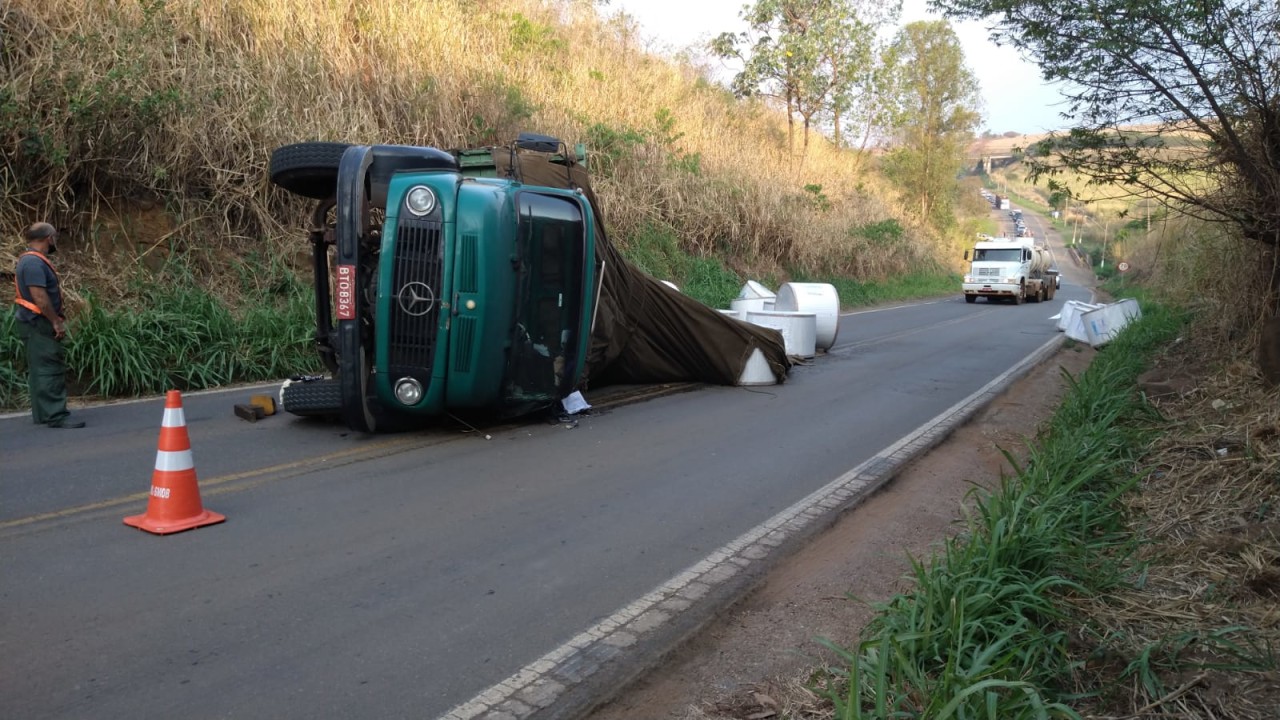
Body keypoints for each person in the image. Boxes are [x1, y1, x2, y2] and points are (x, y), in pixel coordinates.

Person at [13, 222, 84, 428]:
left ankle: (43, 413)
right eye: (54, 236)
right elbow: (40, 298)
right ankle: (55, 415)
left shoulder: (29, 260)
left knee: (39, 368)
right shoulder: (34, 263)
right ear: (48, 238)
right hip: (38, 322)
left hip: (31, 322)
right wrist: (56, 322)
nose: (55, 241)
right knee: (49, 368)